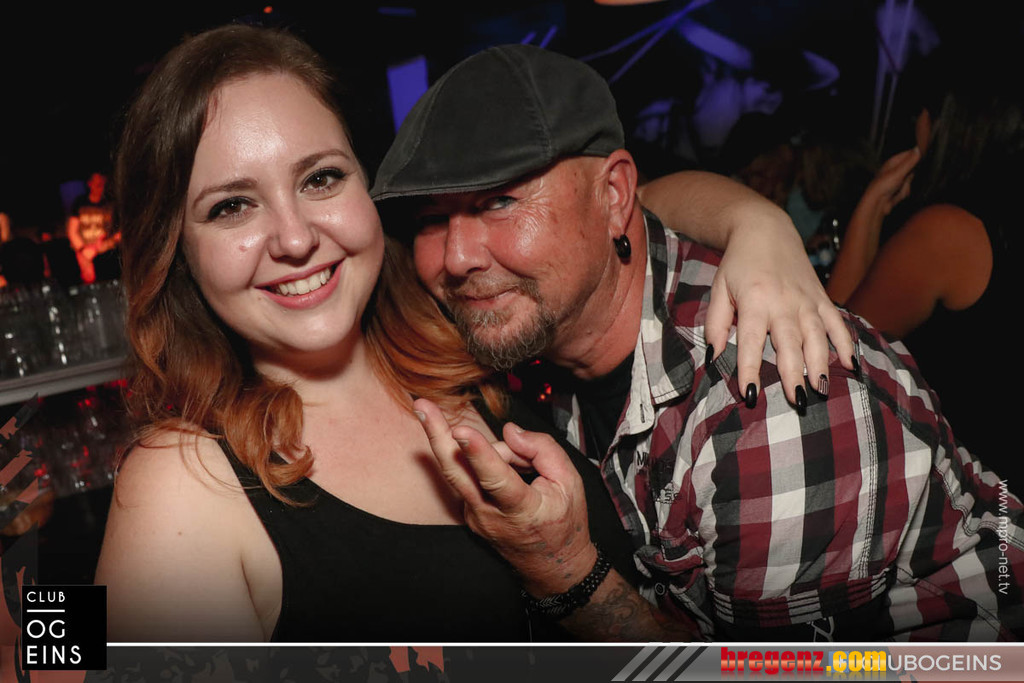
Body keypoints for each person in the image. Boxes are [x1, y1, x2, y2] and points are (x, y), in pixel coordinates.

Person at [93, 25, 841, 642]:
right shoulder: (179, 483)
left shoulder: (472, 338)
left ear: (366, 195)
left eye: (320, 178)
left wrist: (756, 223)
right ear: (177, 253)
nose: (295, 238)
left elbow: (599, 210)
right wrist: (47, 624)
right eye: (230, 206)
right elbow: (74, 645)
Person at [371, 44, 1024, 641]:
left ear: (614, 196)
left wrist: (564, 572)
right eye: (430, 218)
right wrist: (752, 216)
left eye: (499, 202)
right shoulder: (547, 328)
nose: (455, 257)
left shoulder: (771, 400)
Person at [825, 49, 1023, 494]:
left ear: (943, 123)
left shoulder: (947, 232)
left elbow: (835, 348)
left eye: (919, 114)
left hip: (969, 499)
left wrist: (870, 205)